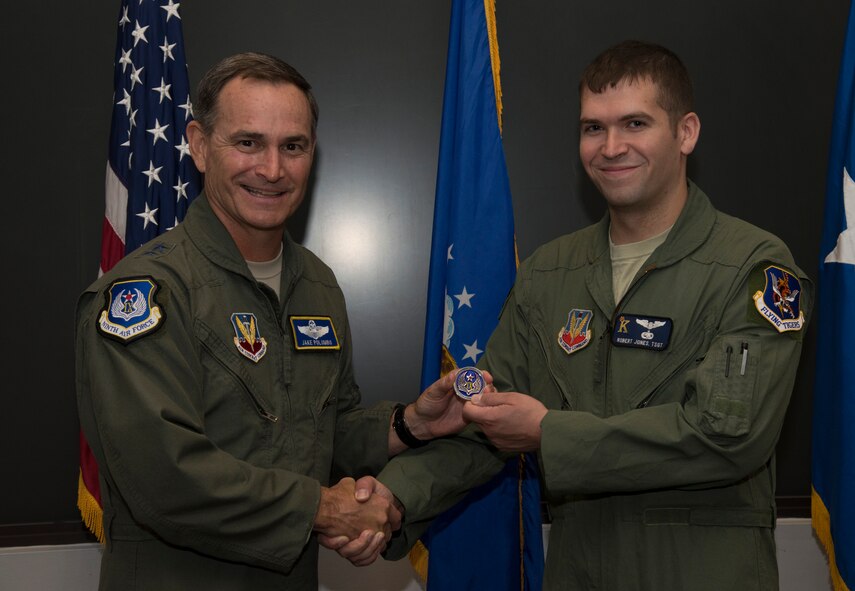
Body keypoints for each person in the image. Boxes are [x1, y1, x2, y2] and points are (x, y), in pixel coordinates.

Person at [371, 40, 812, 590]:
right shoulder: (549, 273)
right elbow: (486, 421)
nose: (611, 147)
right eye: (593, 128)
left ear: (686, 132)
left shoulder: (753, 266)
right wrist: (392, 499)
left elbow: (725, 439)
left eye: (635, 124)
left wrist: (549, 433)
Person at [75, 52, 473, 590]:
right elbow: (163, 476)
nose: (272, 169)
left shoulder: (317, 285)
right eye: (248, 142)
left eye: (293, 146)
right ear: (198, 145)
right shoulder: (146, 294)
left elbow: (320, 433)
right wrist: (322, 509)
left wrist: (409, 425)